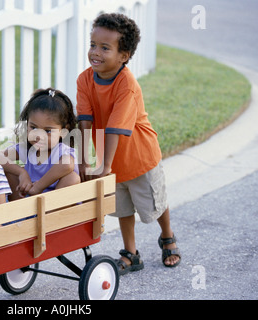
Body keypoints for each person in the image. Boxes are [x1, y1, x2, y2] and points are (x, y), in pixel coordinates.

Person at [76, 13, 181, 273]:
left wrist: (106, 165)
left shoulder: (128, 84)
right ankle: (131, 253)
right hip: (110, 160)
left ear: (124, 56)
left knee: (154, 202)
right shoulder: (84, 79)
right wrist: (82, 160)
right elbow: (85, 121)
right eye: (93, 44)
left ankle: (167, 236)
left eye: (104, 48)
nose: (95, 52)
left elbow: (114, 127)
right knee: (122, 207)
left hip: (139, 157)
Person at [0, 88, 80, 200]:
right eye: (33, 127)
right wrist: (22, 173)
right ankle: (19, 213)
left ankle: (49, 215)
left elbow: (67, 165)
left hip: (54, 204)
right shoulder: (27, 149)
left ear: (63, 131)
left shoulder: (61, 150)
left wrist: (39, 186)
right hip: (28, 200)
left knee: (72, 178)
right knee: (9, 171)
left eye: (48, 131)